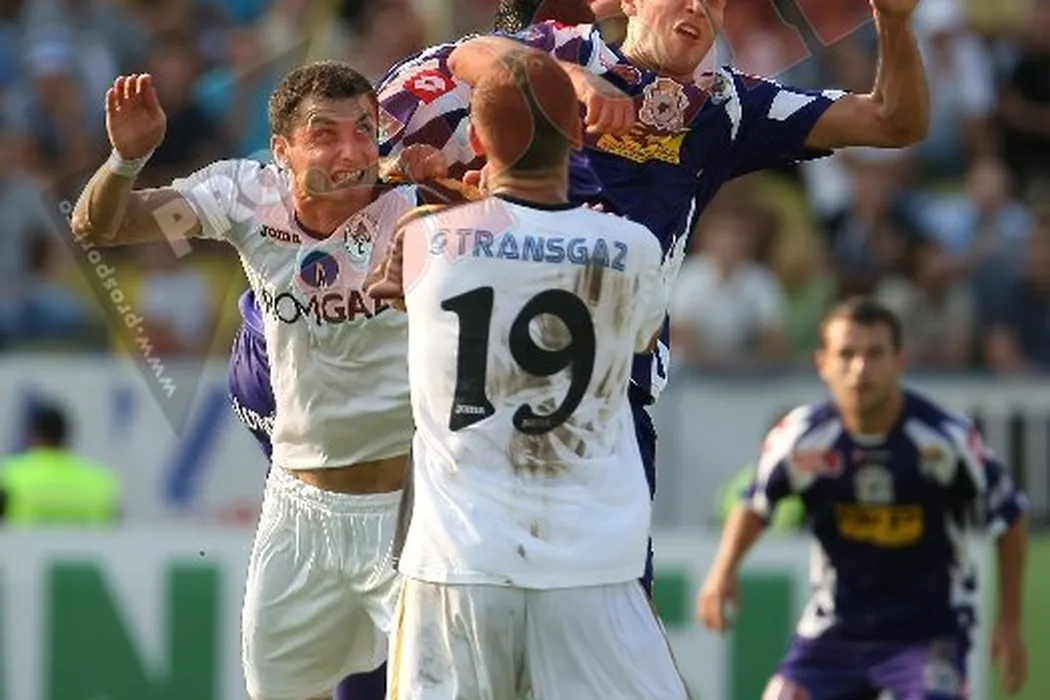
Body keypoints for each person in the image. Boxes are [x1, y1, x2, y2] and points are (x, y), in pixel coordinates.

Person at [387, 0, 931, 597]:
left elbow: (894, 122)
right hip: (493, 398)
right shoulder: (569, 49)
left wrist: (895, 24)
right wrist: (571, 81)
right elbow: (471, 55)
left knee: (606, 629)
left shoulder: (728, 107)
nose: (698, 6)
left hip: (610, 411)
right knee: (460, 622)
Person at [69, 62, 457, 700]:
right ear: (282, 150)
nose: (352, 151)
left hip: (409, 512)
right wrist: (126, 160)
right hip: (297, 513)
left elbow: (523, 221)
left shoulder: (420, 208)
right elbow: (99, 226)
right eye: (325, 134)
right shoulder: (245, 197)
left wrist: (459, 187)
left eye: (365, 130)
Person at [366, 48, 685, 700]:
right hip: (592, 567)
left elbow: (400, 282)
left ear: (479, 142)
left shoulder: (425, 238)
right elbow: (643, 334)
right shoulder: (633, 248)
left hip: (459, 565)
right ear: (577, 137)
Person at [696, 297, 1029, 700]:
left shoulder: (944, 440)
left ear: (900, 362)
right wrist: (722, 572)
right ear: (823, 363)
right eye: (847, 354)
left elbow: (1010, 515)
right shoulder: (802, 438)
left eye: (874, 354)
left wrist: (1009, 624)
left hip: (926, 633)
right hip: (835, 631)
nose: (860, 368)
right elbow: (755, 504)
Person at [0, 402, 120, 525]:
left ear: (34, 435)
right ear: (66, 436)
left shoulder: (10, 476)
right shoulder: (100, 482)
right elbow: (115, 528)